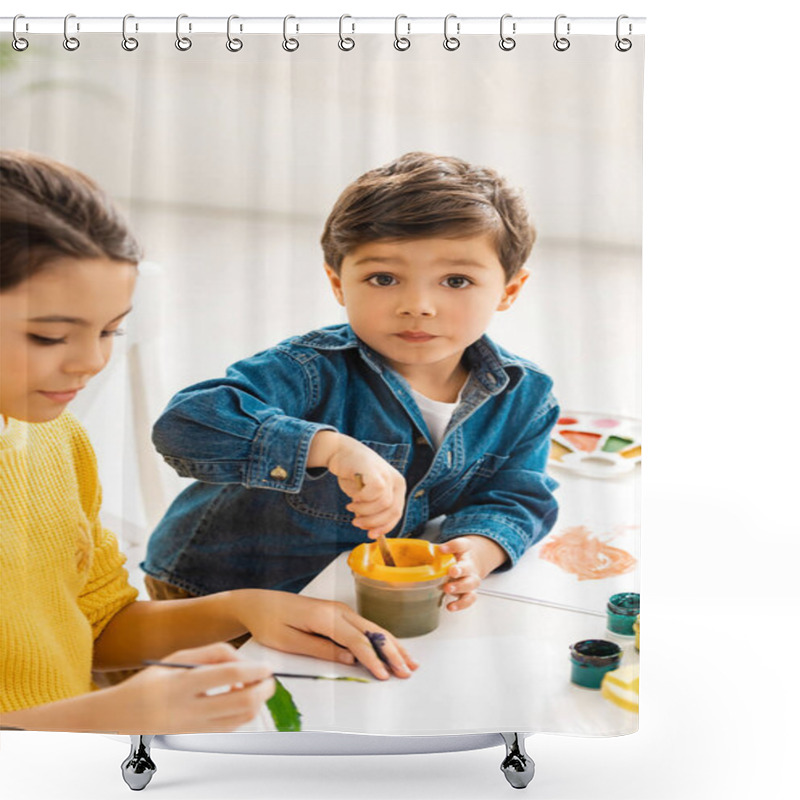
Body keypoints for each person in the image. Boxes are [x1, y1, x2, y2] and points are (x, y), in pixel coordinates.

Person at [0, 150, 417, 735]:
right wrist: (102, 718)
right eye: (49, 337)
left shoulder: (54, 440)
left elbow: (93, 628)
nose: (92, 362)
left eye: (110, 331)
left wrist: (246, 608)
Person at [143, 151, 559, 611]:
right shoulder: (309, 369)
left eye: (456, 281)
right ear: (339, 283)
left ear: (509, 290)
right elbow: (184, 425)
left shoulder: (525, 395)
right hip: (216, 592)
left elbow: (518, 494)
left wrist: (480, 549)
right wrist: (329, 448)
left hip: (348, 601)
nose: (418, 304)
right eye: (384, 278)